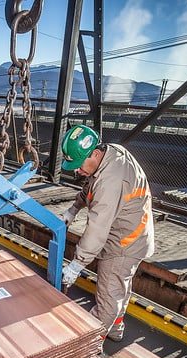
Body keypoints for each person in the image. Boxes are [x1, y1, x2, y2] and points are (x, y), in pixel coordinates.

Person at [60, 125, 155, 342]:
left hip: (124, 243)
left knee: (109, 295)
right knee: (120, 287)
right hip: (132, 234)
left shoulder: (111, 180)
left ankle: (91, 347)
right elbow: (90, 187)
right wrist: (74, 208)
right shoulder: (108, 154)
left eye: (79, 164)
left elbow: (97, 228)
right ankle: (115, 329)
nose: (76, 171)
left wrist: (77, 264)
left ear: (94, 153)